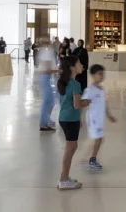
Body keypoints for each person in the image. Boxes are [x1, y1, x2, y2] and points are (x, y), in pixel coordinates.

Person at [57, 55, 90, 190]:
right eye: (79, 63)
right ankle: (64, 180)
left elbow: (69, 103)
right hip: (70, 119)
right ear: (72, 68)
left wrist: (79, 119)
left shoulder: (65, 82)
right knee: (70, 149)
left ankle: (64, 177)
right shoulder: (75, 84)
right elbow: (77, 105)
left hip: (66, 118)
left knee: (72, 147)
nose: (82, 65)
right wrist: (86, 102)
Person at [81, 64, 117, 170]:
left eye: (103, 74)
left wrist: (109, 116)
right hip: (93, 119)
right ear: (93, 76)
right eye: (99, 74)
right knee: (99, 139)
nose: (102, 76)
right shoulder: (90, 90)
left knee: (99, 139)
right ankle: (92, 159)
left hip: (99, 119)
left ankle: (87, 157)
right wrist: (80, 119)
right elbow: (82, 103)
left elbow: (104, 104)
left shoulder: (102, 89)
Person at [38, 40, 58, 132]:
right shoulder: (47, 53)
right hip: (45, 79)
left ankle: (47, 120)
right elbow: (46, 70)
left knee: (51, 101)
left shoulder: (46, 52)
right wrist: (59, 71)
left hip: (46, 80)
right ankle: (43, 124)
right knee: (47, 102)